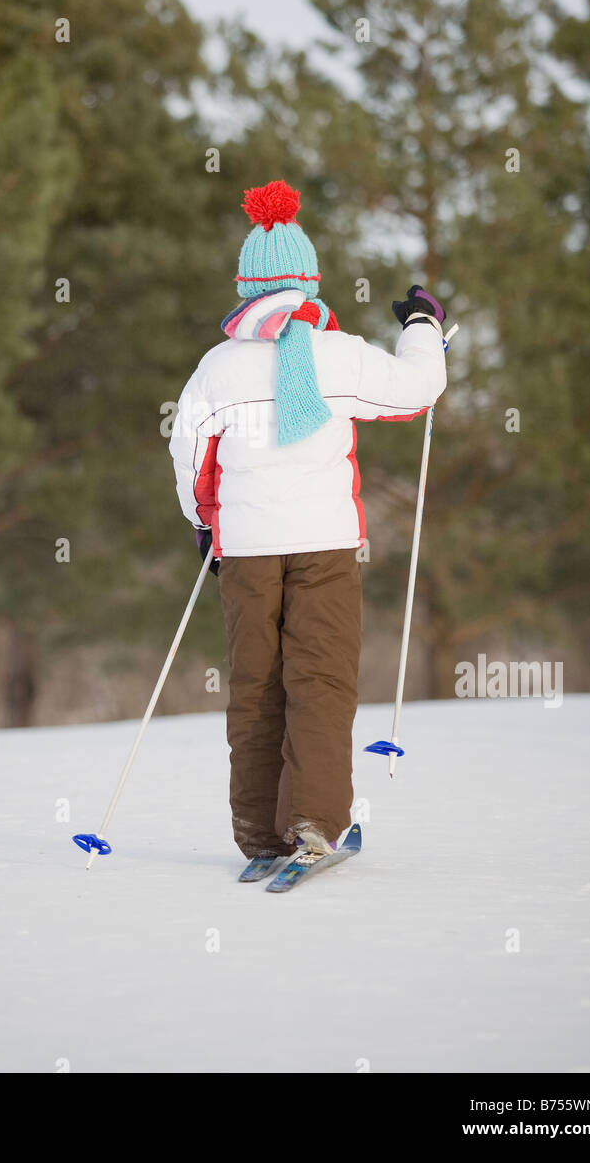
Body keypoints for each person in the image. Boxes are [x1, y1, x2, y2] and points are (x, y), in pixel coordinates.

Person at [169, 180, 447, 866]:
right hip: (326, 549)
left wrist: (204, 524)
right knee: (319, 683)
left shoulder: (218, 367)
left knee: (256, 688)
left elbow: (189, 453)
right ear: (309, 280)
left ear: (246, 285)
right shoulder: (337, 353)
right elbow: (416, 392)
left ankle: (260, 835)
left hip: (249, 552)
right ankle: (316, 822)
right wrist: (422, 325)